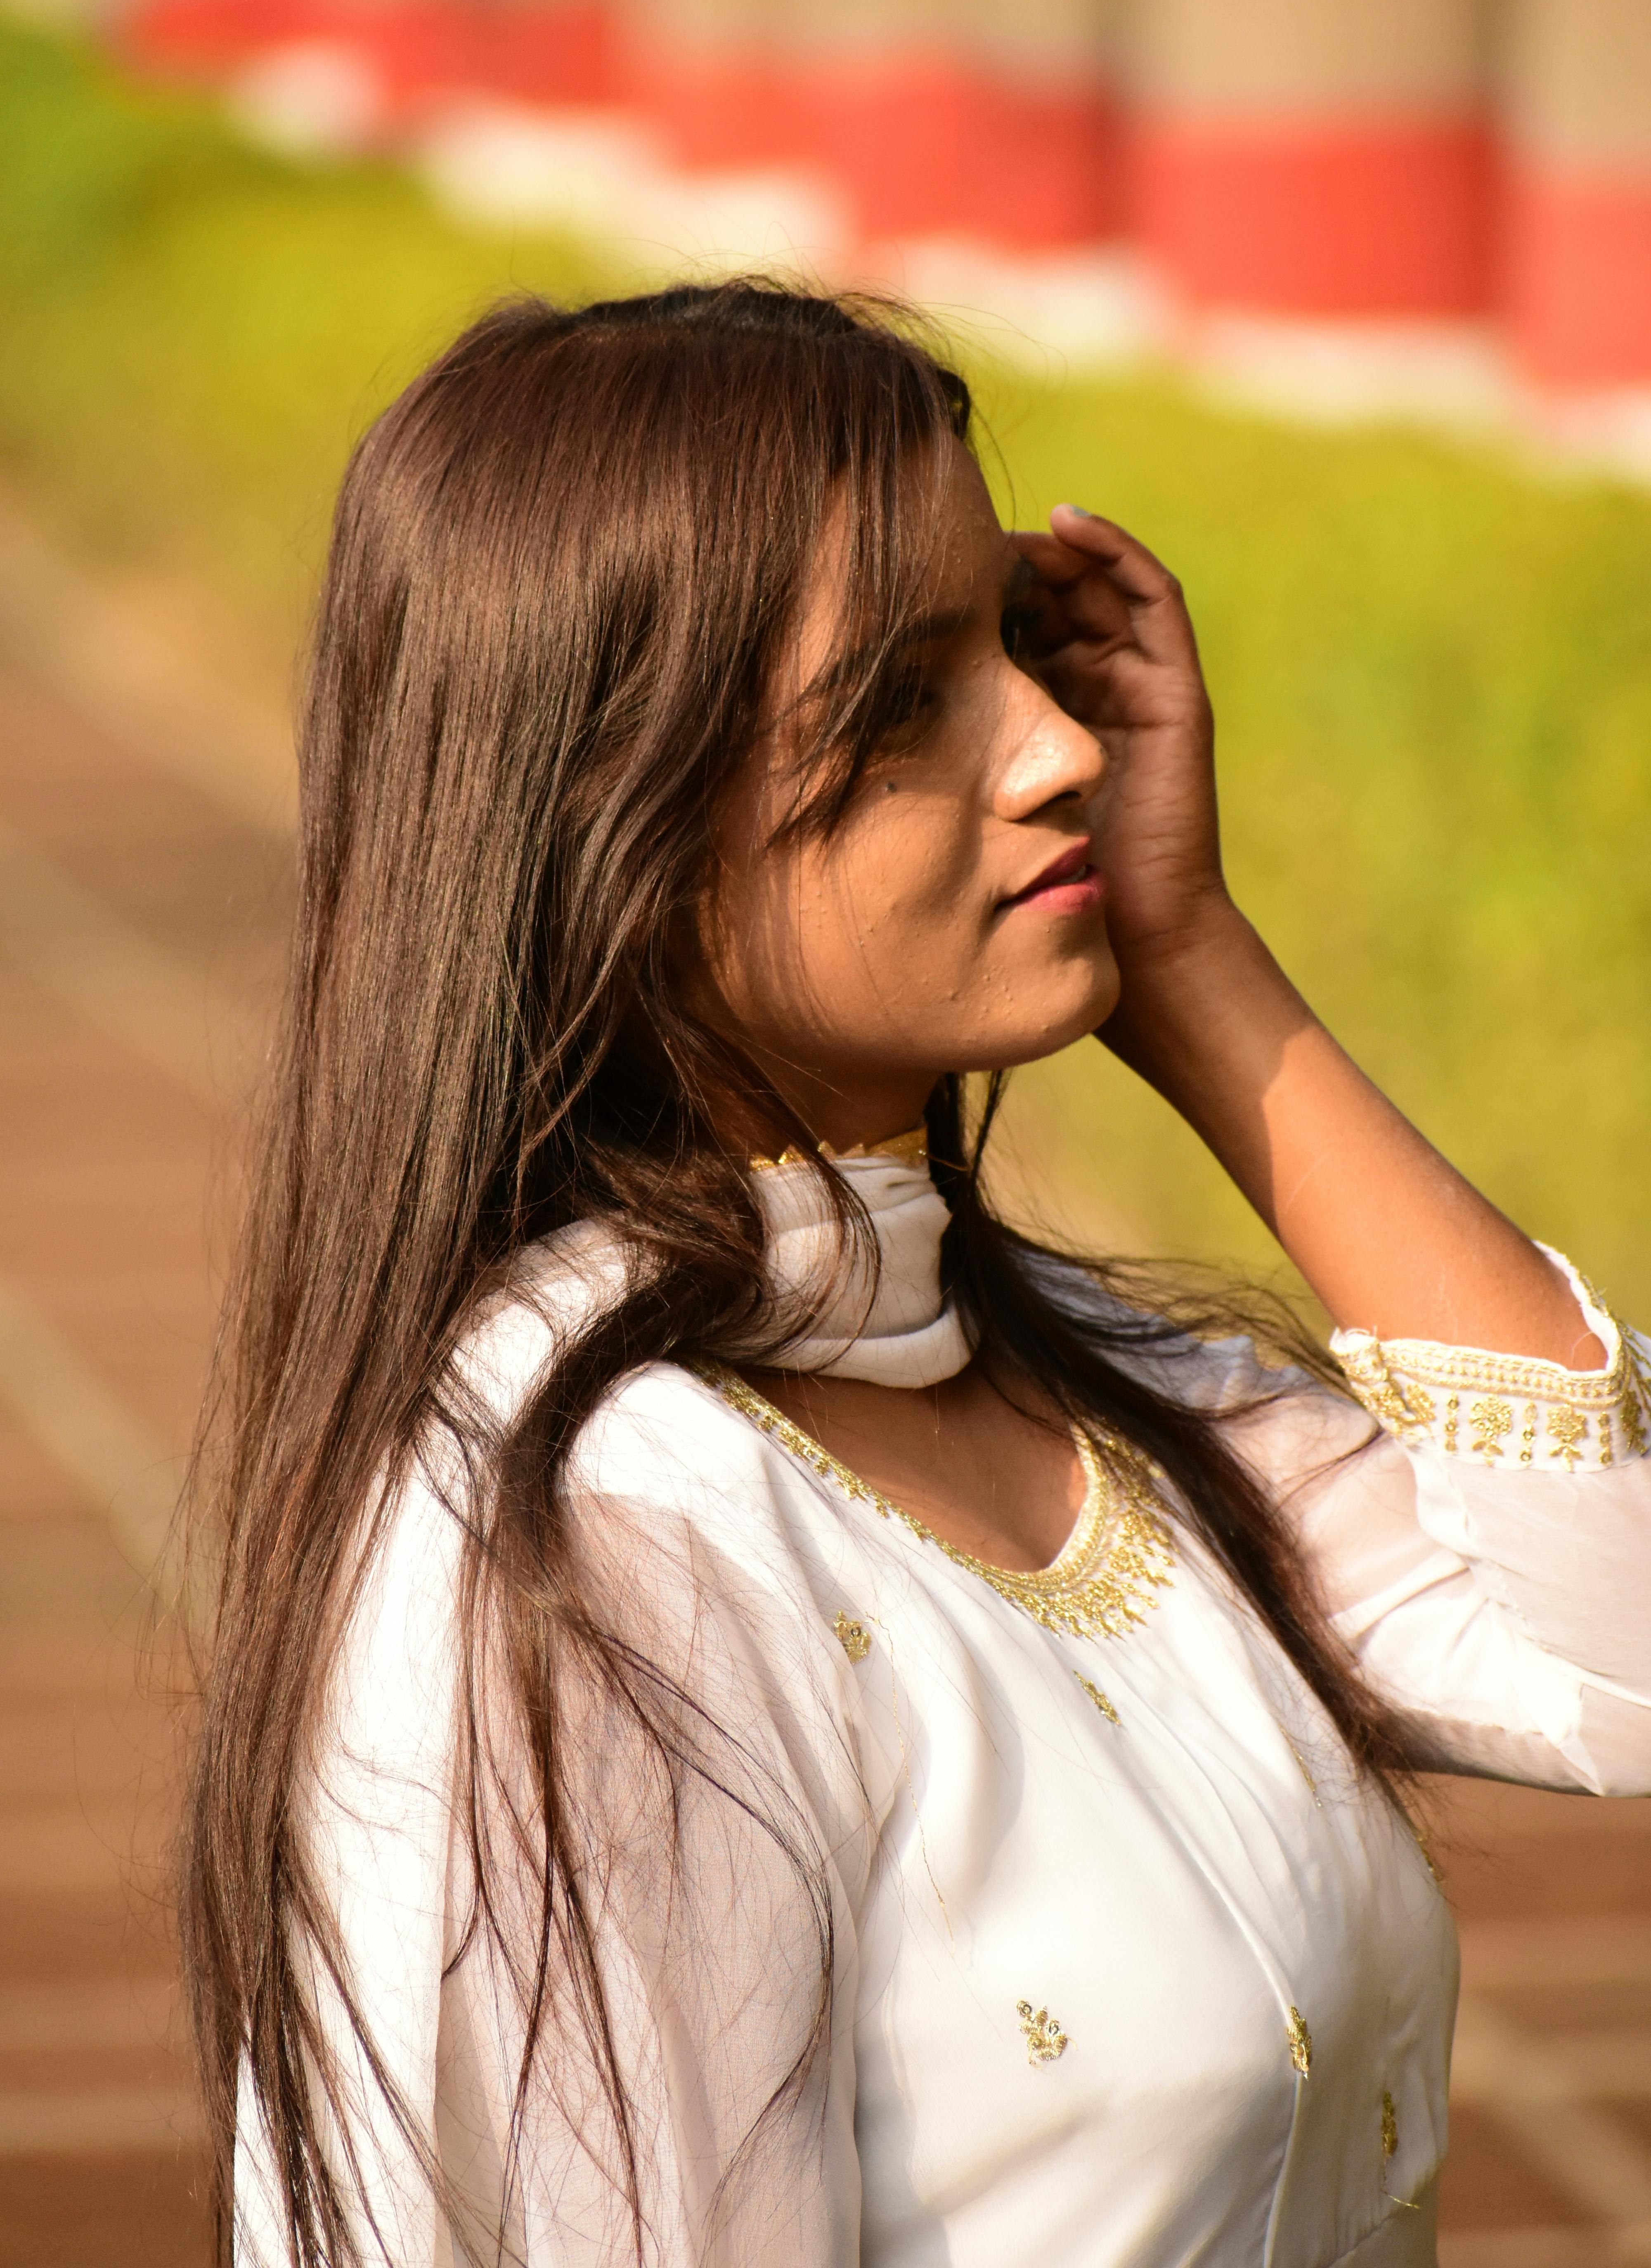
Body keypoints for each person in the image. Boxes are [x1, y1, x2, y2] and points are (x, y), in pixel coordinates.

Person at [184, 281, 1651, 2268]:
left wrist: (1194, 959)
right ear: (610, 826)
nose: (1058, 751)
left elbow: (1622, 1652)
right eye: (896, 703)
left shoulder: (1081, 1391)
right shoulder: (610, 1556)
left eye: (1013, 648)